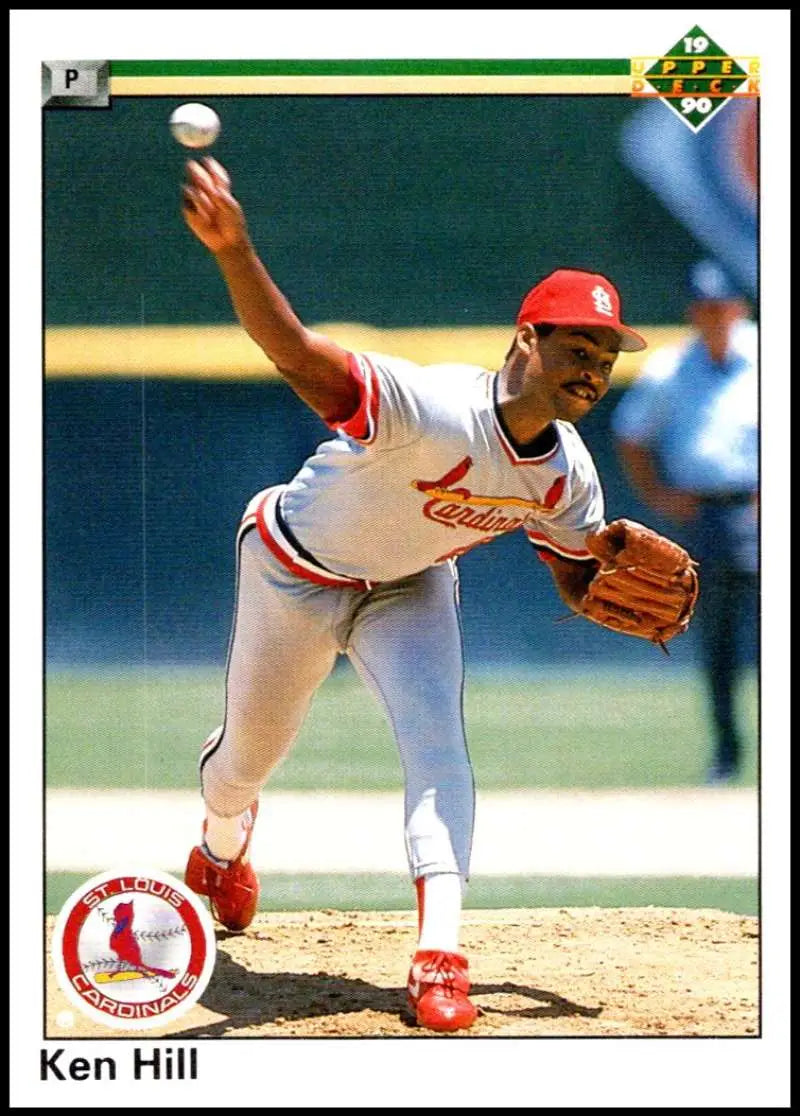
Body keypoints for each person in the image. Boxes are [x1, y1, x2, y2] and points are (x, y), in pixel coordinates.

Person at [178, 156, 681, 1033]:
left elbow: (567, 568)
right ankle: (222, 846)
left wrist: (594, 578)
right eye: (577, 347)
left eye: (604, 356)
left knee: (439, 746)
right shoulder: (429, 404)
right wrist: (234, 250)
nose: (594, 369)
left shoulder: (569, 477)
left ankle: (439, 956)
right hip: (292, 568)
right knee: (245, 762)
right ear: (527, 339)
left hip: (409, 587)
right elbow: (293, 353)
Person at [611, 259, 758, 785]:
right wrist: (656, 494)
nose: (714, 316)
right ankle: (727, 752)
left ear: (738, 308)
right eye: (704, 307)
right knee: (717, 641)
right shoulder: (671, 368)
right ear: (694, 312)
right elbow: (631, 434)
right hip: (708, 515)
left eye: (722, 306)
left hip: (761, 506)